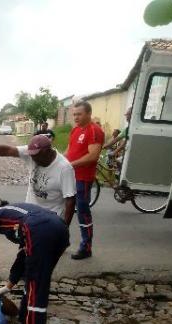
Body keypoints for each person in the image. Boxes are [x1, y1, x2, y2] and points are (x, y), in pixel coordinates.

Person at [0, 202, 69, 324]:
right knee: (34, 279)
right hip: (60, 228)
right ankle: (24, 322)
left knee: (36, 283)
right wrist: (8, 287)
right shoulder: (19, 214)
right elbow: (23, 257)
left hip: (40, 229)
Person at [0, 134, 76, 224]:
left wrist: (64, 229)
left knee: (45, 249)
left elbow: (70, 200)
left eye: (36, 156)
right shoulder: (33, 153)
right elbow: (7, 150)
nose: (32, 159)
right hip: (29, 215)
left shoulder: (64, 168)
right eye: (31, 156)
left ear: (48, 152)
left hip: (50, 220)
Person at [65, 101, 104, 260]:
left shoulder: (94, 130)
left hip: (83, 178)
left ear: (88, 114)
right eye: (74, 114)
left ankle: (86, 247)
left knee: (83, 212)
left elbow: (93, 156)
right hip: (69, 177)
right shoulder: (75, 130)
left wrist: (71, 164)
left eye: (79, 114)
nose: (76, 117)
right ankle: (61, 242)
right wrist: (61, 162)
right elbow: (69, 150)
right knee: (65, 211)